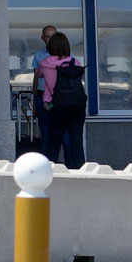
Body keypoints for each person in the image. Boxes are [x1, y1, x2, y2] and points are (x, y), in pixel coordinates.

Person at [38, 32, 87, 169]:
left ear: (50, 47)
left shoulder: (44, 64)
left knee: (54, 142)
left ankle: (50, 170)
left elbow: (42, 78)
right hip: (77, 107)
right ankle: (80, 171)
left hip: (58, 107)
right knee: (76, 142)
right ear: (67, 47)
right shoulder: (75, 62)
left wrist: (46, 100)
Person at [29, 25, 58, 158]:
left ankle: (69, 166)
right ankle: (48, 164)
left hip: (59, 98)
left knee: (65, 136)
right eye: (47, 37)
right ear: (43, 38)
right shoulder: (39, 55)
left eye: (53, 36)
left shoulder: (67, 54)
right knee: (45, 134)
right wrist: (35, 99)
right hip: (41, 96)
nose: (50, 40)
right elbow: (36, 77)